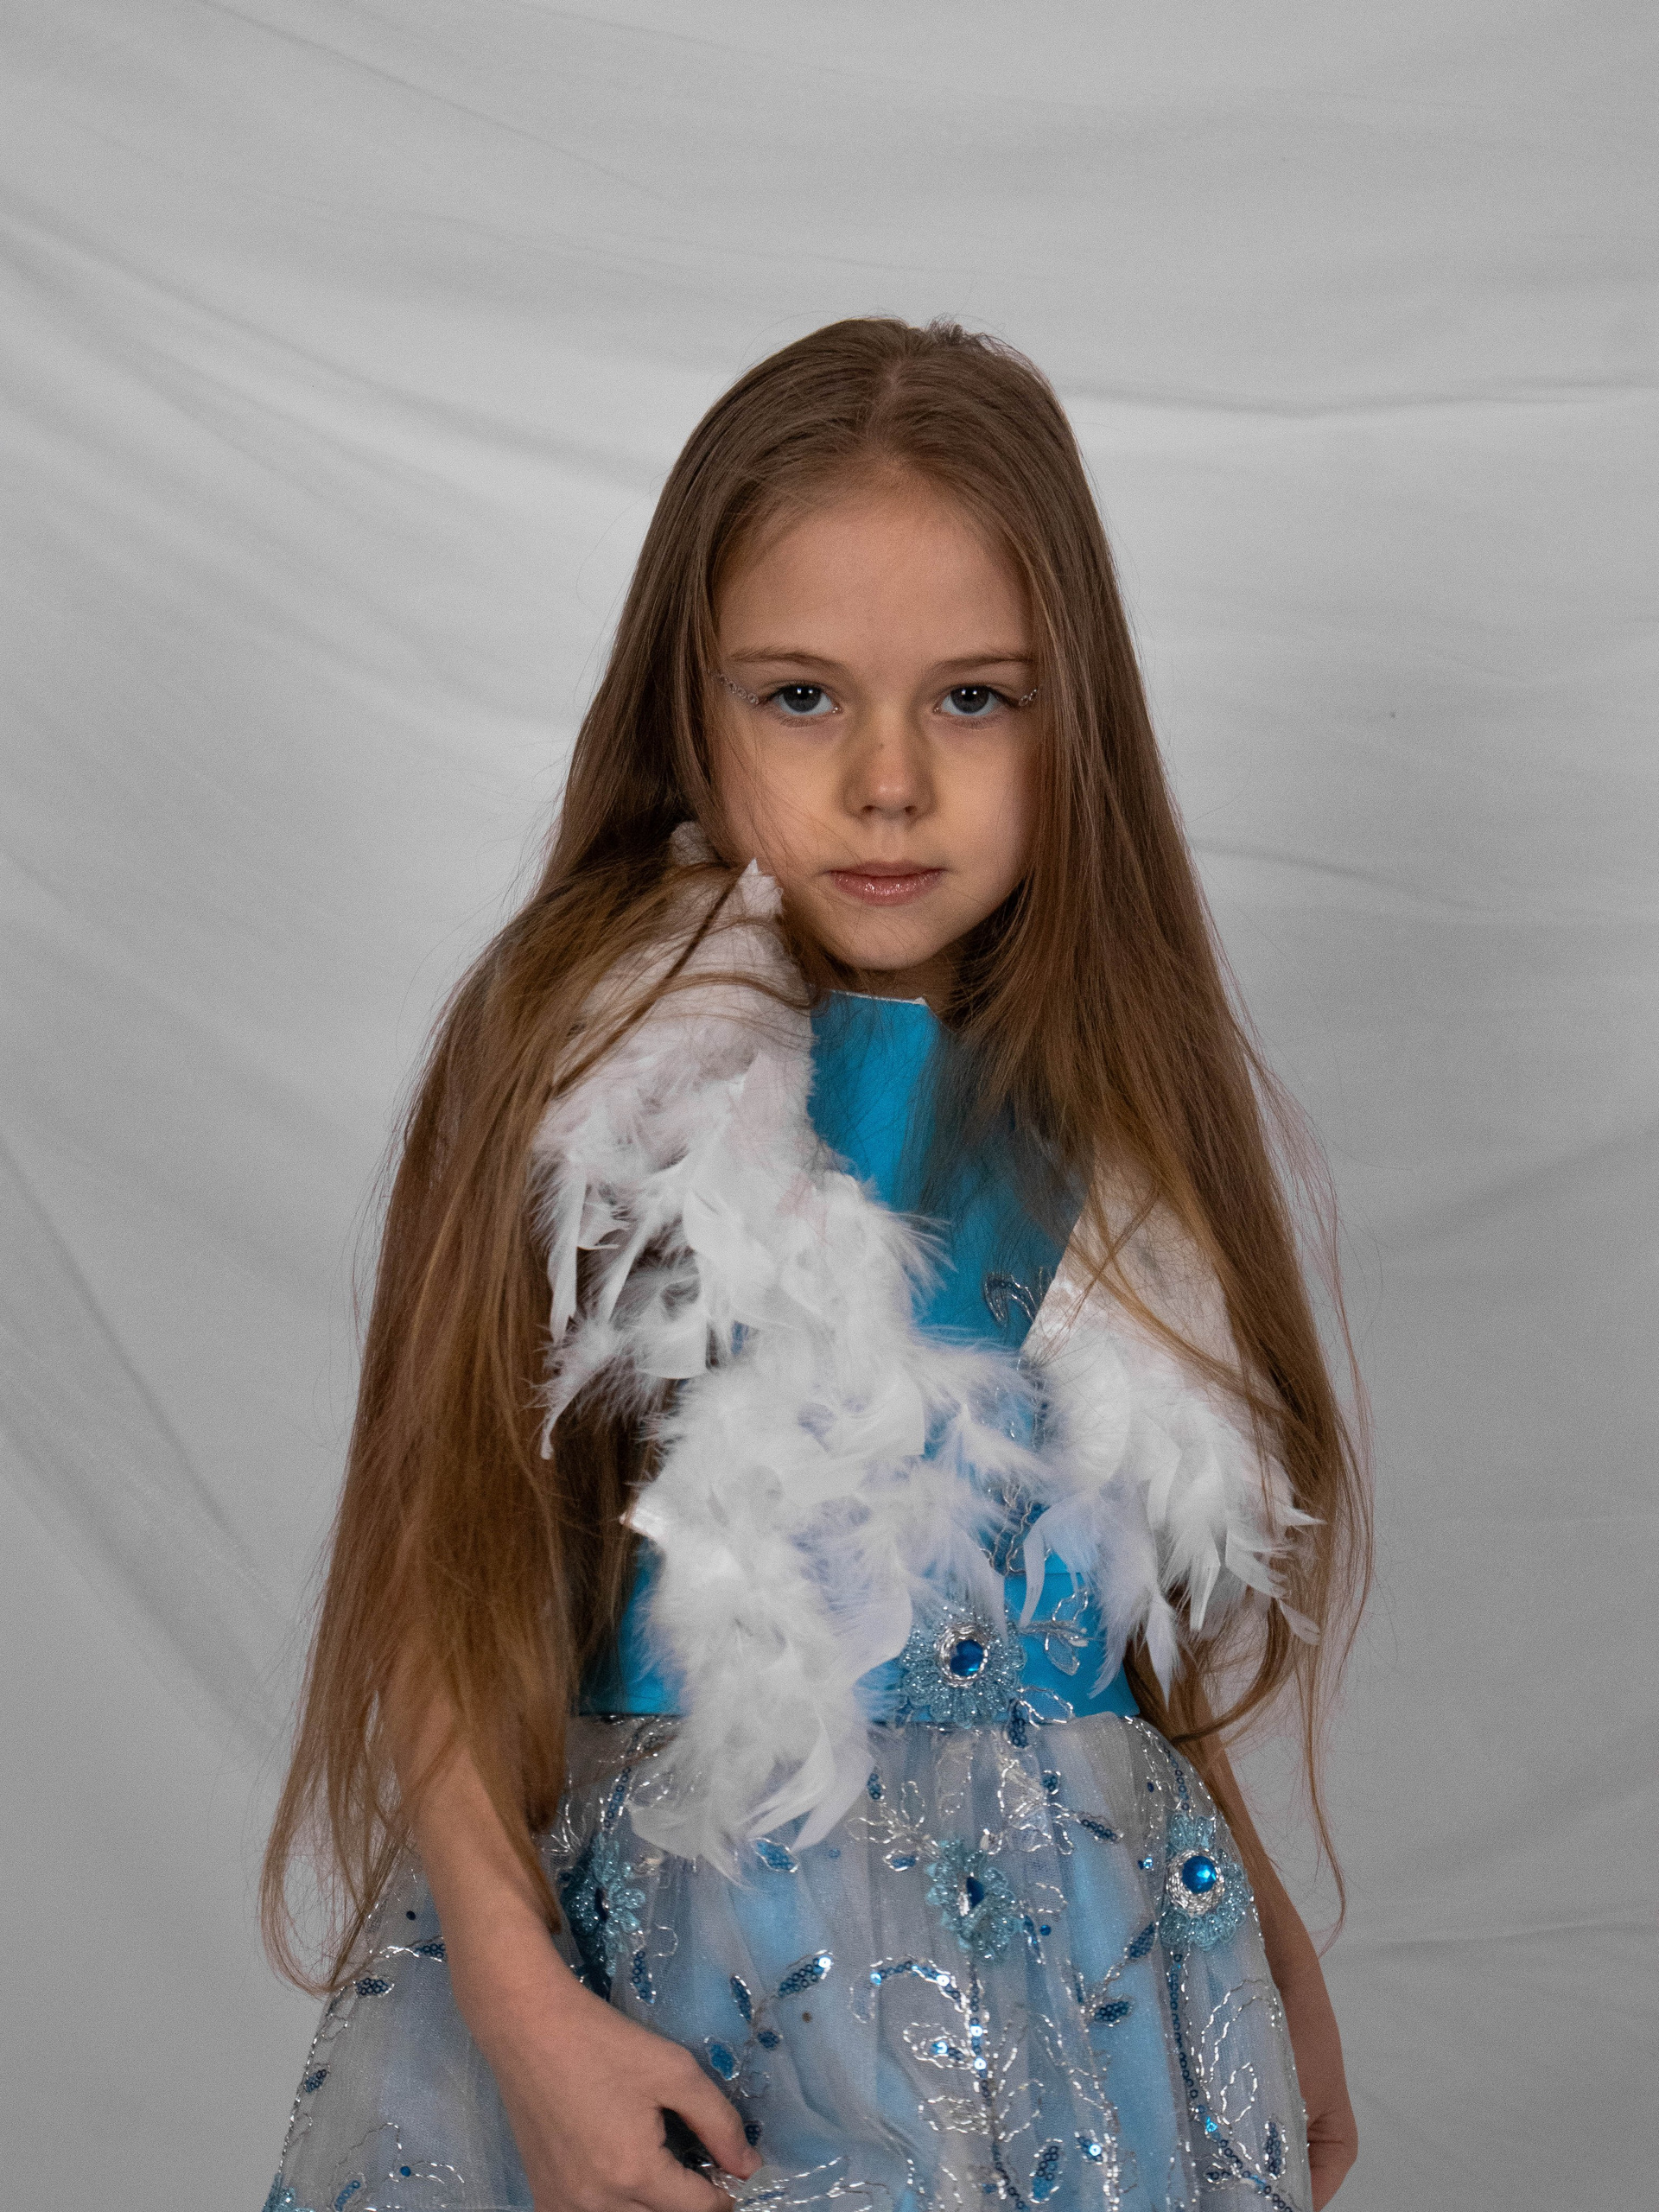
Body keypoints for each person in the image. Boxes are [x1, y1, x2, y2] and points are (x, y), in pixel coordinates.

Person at [262, 318, 1369, 2212]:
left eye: (975, 699)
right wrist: (524, 2019)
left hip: (1104, 1990)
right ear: (687, 707)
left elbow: (1118, 1604)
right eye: (799, 695)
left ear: (1080, 719)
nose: (886, 782)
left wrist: (1261, 1928)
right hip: (705, 1974)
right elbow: (444, 1579)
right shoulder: (591, 1056)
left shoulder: (1113, 1089)